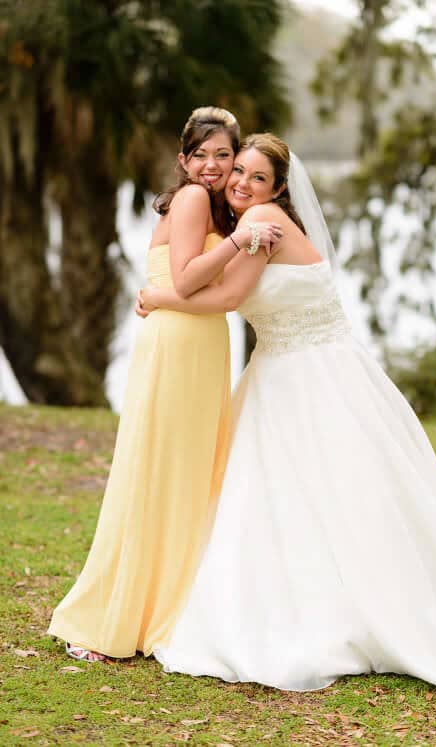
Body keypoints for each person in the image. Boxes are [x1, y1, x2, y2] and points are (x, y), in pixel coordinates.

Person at [135, 133, 436, 699]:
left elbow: (225, 299)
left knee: (327, 491)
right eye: (238, 172)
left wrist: (160, 298)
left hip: (306, 374)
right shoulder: (253, 224)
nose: (240, 183)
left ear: (278, 188)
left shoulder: (262, 224)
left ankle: (351, 610)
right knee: (295, 496)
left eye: (257, 177)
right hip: (297, 366)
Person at [48, 107, 282, 662]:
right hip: (179, 344)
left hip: (197, 343)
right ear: (182, 160)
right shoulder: (196, 200)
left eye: (222, 155)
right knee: (161, 473)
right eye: (200, 155)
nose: (211, 166)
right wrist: (241, 241)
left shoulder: (219, 207)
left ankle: (165, 604)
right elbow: (184, 278)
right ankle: (120, 618)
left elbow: (190, 288)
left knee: (182, 475)